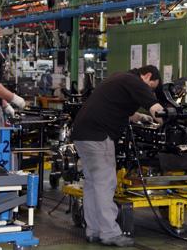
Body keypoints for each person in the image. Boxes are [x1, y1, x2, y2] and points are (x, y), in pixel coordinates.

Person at [71, 65, 164, 247]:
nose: (149, 90)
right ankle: (109, 233)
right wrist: (169, 120)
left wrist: (142, 118)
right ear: (147, 76)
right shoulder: (136, 82)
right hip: (98, 136)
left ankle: (94, 230)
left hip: (81, 133)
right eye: (151, 86)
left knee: (92, 184)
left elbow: (122, 109)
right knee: (106, 183)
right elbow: (157, 110)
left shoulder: (118, 77)